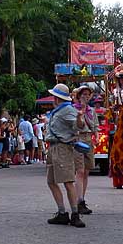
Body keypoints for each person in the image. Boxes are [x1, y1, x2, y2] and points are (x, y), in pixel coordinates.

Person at [44, 83, 85, 227]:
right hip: (53, 148)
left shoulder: (68, 110)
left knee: (68, 181)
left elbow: (79, 125)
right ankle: (62, 212)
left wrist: (79, 118)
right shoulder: (58, 110)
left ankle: (75, 214)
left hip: (62, 148)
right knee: (51, 181)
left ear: (56, 98)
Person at [73, 85, 98, 214]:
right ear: (78, 96)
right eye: (83, 94)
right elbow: (77, 125)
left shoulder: (91, 111)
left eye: (88, 95)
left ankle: (82, 199)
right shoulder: (73, 110)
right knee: (80, 171)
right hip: (78, 139)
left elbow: (95, 126)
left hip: (89, 139)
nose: (86, 97)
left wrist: (97, 137)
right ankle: (79, 200)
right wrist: (80, 114)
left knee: (87, 171)